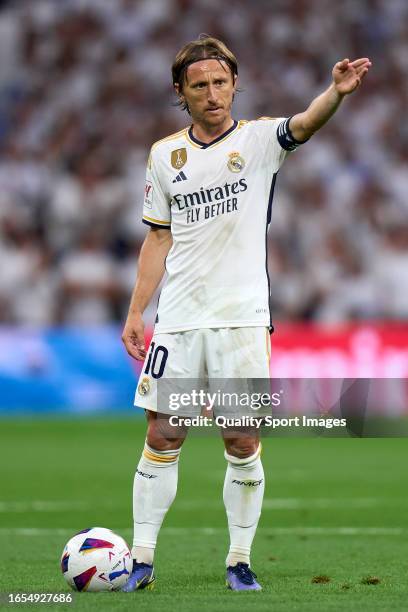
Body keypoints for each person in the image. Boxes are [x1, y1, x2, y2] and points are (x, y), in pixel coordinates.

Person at [121, 34, 371, 592]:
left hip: (241, 318)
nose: (212, 94)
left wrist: (337, 92)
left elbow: (304, 123)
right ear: (180, 93)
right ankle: (141, 560)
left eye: (220, 82)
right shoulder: (165, 156)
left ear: (235, 84)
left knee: (240, 438)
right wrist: (137, 312)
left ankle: (238, 561)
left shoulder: (260, 141)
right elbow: (158, 239)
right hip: (180, 318)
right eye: (199, 85)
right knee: (164, 433)